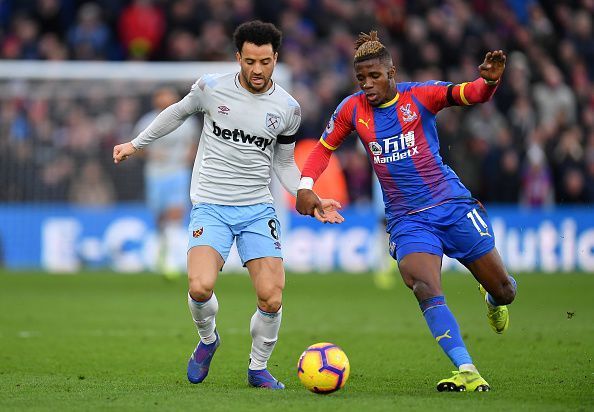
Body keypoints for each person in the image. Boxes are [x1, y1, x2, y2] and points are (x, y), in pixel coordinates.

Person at [113, 20, 343, 389]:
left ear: (275, 59)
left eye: (265, 62)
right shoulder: (210, 87)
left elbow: (282, 163)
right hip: (211, 205)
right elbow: (177, 113)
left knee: (270, 296)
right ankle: (208, 341)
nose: (257, 69)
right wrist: (136, 144)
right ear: (238, 57)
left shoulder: (288, 109)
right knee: (200, 287)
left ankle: (258, 367)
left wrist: (308, 195)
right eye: (250, 61)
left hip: (257, 208)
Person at [296, 31, 517, 392]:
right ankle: (466, 368)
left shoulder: (421, 95)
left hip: (451, 205)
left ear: (392, 72)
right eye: (361, 78)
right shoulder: (352, 109)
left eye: (374, 76)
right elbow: (323, 149)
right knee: (424, 286)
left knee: (506, 289)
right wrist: (306, 188)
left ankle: (493, 299)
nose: (367, 85)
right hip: (407, 219)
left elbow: (467, 93)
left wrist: (489, 83)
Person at [133, 87, 200, 276]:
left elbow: (194, 143)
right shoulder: (146, 122)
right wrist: (152, 153)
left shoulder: (188, 122)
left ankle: (172, 258)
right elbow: (137, 147)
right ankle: (161, 251)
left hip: (178, 172)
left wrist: (190, 155)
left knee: (176, 212)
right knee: (160, 216)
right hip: (156, 174)